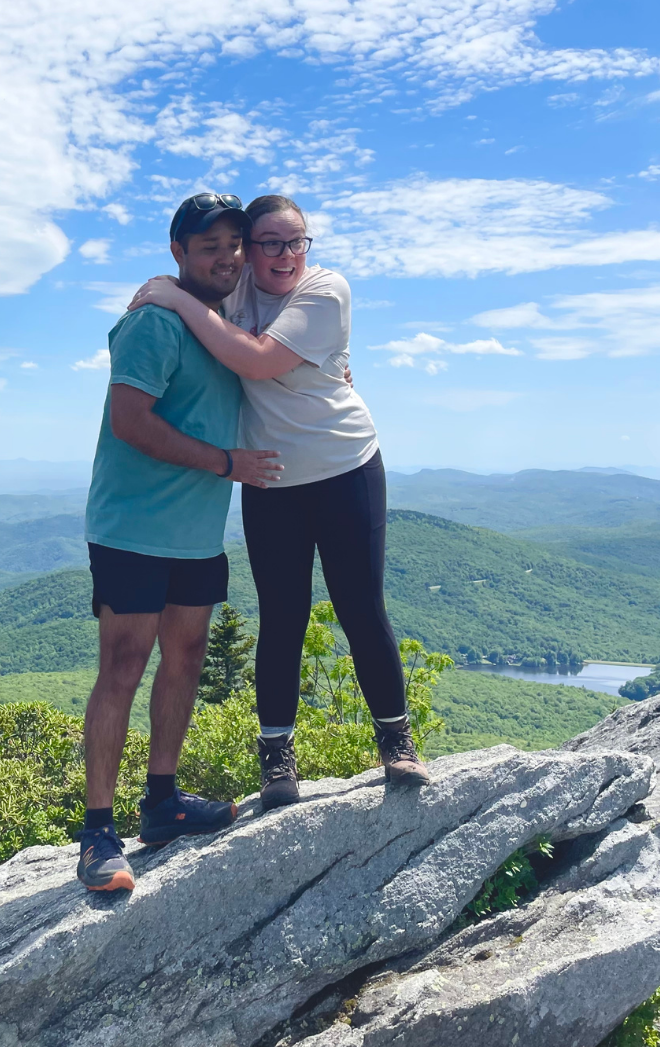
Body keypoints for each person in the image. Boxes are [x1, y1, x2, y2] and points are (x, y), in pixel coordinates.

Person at [128, 193, 429, 814]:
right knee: (282, 617)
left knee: (360, 607)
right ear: (248, 247)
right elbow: (194, 297)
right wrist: (167, 285)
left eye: (296, 241)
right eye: (268, 242)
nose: (284, 254)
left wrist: (173, 295)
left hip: (346, 466)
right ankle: (277, 761)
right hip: (270, 480)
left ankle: (396, 742)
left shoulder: (326, 289)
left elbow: (257, 363)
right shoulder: (234, 291)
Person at [77, 193, 283, 892]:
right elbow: (131, 422)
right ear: (177, 254)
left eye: (233, 244)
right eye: (208, 247)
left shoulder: (228, 320)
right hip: (132, 528)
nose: (225, 257)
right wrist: (226, 464)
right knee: (124, 664)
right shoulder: (153, 323)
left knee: (186, 656)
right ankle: (98, 833)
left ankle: (160, 803)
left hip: (195, 533)